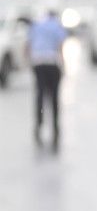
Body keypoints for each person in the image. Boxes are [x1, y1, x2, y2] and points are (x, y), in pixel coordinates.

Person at [26, 8, 67, 148]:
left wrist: (29, 62)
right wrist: (63, 64)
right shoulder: (56, 25)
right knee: (54, 97)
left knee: (40, 95)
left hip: (38, 63)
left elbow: (28, 45)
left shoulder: (37, 25)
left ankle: (38, 126)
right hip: (52, 63)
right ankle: (55, 127)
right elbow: (60, 46)